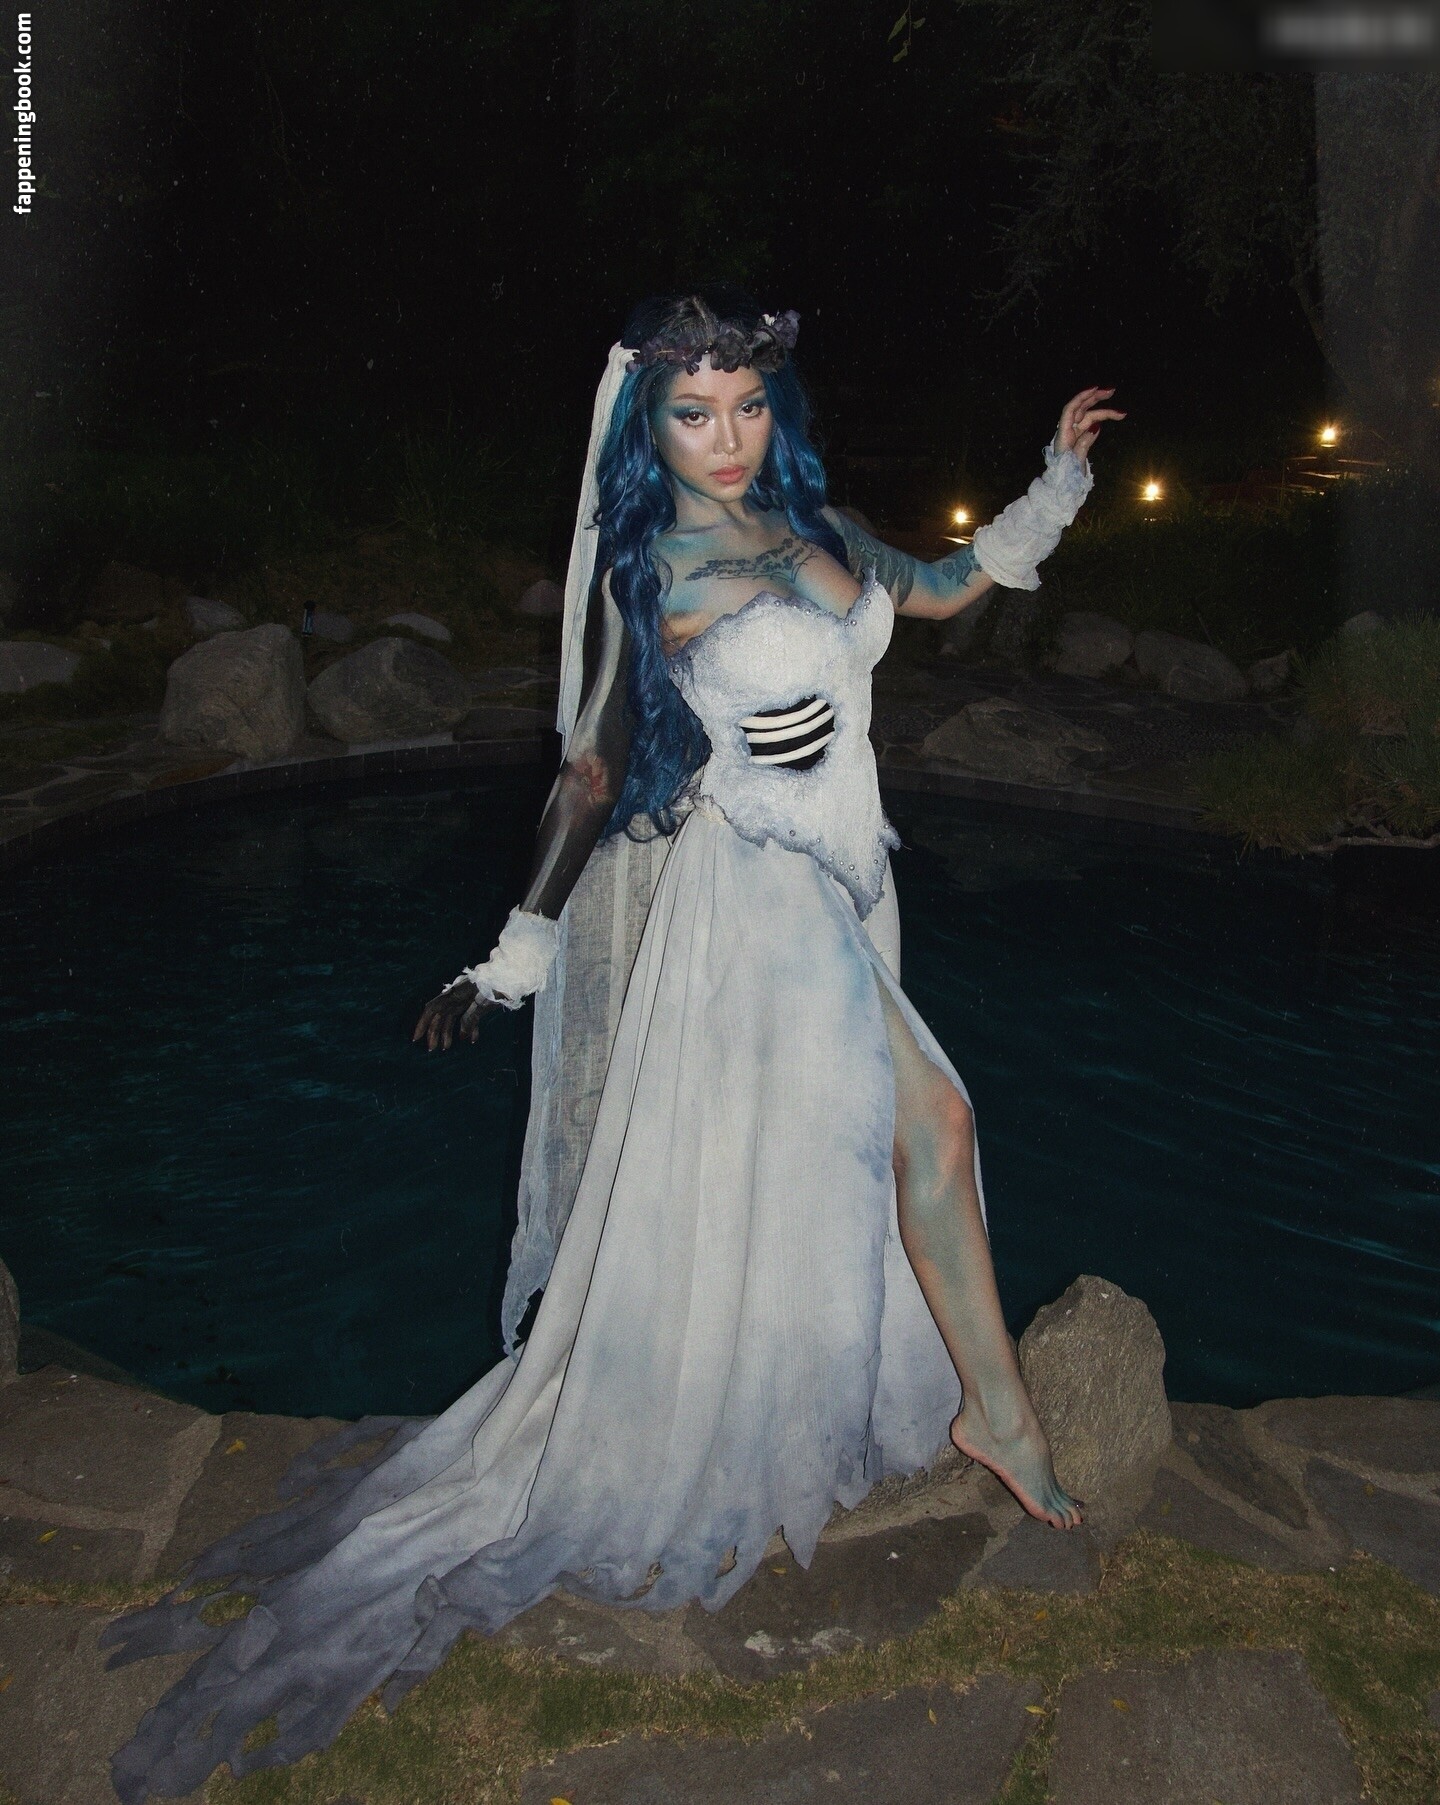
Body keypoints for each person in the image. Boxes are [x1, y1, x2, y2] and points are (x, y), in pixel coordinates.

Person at [104, 286, 1123, 1800]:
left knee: (852, 1154)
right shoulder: (652, 565)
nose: (728, 436)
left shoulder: (819, 527)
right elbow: (590, 769)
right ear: (648, 425)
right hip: (754, 899)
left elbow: (944, 590)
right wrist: (513, 956)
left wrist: (1056, 481)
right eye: (693, 413)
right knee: (938, 1122)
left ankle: (911, 1399)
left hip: (848, 884)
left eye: (749, 405)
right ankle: (1002, 1418)